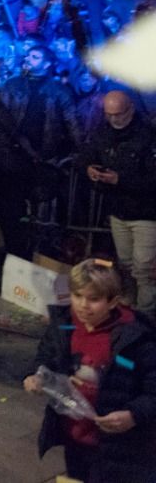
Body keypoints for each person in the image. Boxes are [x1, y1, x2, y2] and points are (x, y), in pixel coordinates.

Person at [24, 261, 156, 483]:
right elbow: (45, 358)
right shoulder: (64, 325)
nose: (83, 305)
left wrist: (134, 415)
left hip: (121, 446)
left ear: (113, 301)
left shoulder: (137, 338)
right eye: (77, 295)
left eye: (94, 299)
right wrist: (36, 376)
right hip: (74, 434)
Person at [77, 98, 156, 311]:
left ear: (130, 110)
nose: (114, 119)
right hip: (118, 209)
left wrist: (120, 180)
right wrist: (89, 169)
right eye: (109, 114)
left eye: (118, 114)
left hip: (146, 212)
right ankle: (129, 304)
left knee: (144, 267)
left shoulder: (148, 136)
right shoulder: (103, 133)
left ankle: (146, 312)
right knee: (126, 263)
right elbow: (86, 155)